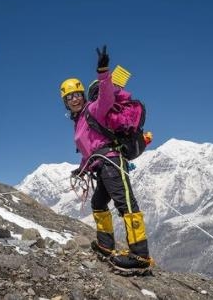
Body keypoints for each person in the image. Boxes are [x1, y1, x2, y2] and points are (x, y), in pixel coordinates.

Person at [59, 46, 154, 269]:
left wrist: (103, 72)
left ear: (83, 96)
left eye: (77, 95)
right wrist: (82, 168)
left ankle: (140, 256)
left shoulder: (94, 109)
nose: (74, 99)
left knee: (126, 204)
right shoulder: (79, 121)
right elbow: (91, 150)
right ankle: (105, 245)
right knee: (98, 203)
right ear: (65, 101)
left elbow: (107, 95)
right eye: (69, 97)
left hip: (112, 162)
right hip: (101, 165)